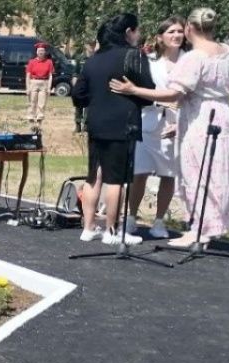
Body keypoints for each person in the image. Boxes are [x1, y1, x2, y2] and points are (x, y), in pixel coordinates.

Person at [111, 7, 229, 247]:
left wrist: (134, 90)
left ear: (190, 28)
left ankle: (198, 229)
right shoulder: (228, 52)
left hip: (200, 117)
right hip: (224, 113)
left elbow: (174, 92)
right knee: (217, 172)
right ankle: (212, 225)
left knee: (195, 172)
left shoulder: (194, 57)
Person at [73, 13, 155, 245]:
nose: (139, 35)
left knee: (94, 175)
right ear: (129, 32)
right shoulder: (134, 55)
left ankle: (88, 227)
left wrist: (98, 98)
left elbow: (78, 95)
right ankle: (111, 231)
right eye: (137, 31)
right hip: (123, 123)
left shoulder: (93, 59)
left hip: (97, 122)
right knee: (116, 179)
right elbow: (148, 92)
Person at [127, 17, 186, 240]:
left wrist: (179, 121)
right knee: (139, 173)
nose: (176, 35)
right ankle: (131, 217)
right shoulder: (149, 61)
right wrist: (159, 102)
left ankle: (159, 221)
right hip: (148, 122)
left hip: (176, 125)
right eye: (171, 31)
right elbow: (138, 91)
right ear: (160, 37)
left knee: (168, 175)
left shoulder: (189, 61)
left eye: (180, 31)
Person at [25, 42, 53, 128]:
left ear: (45, 52)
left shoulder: (49, 62)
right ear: (36, 52)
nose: (41, 52)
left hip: (44, 83)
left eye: (42, 51)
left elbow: (50, 76)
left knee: (42, 103)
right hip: (33, 82)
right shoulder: (32, 62)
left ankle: (39, 121)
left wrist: (49, 88)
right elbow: (28, 75)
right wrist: (28, 87)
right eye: (39, 51)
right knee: (32, 102)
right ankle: (31, 120)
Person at [72, 41, 96, 133]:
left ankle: (86, 126)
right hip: (81, 85)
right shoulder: (80, 58)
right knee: (79, 106)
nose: (91, 47)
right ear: (86, 46)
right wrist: (74, 83)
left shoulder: (97, 58)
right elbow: (75, 72)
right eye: (90, 45)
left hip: (92, 85)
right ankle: (77, 126)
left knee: (89, 107)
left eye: (93, 45)